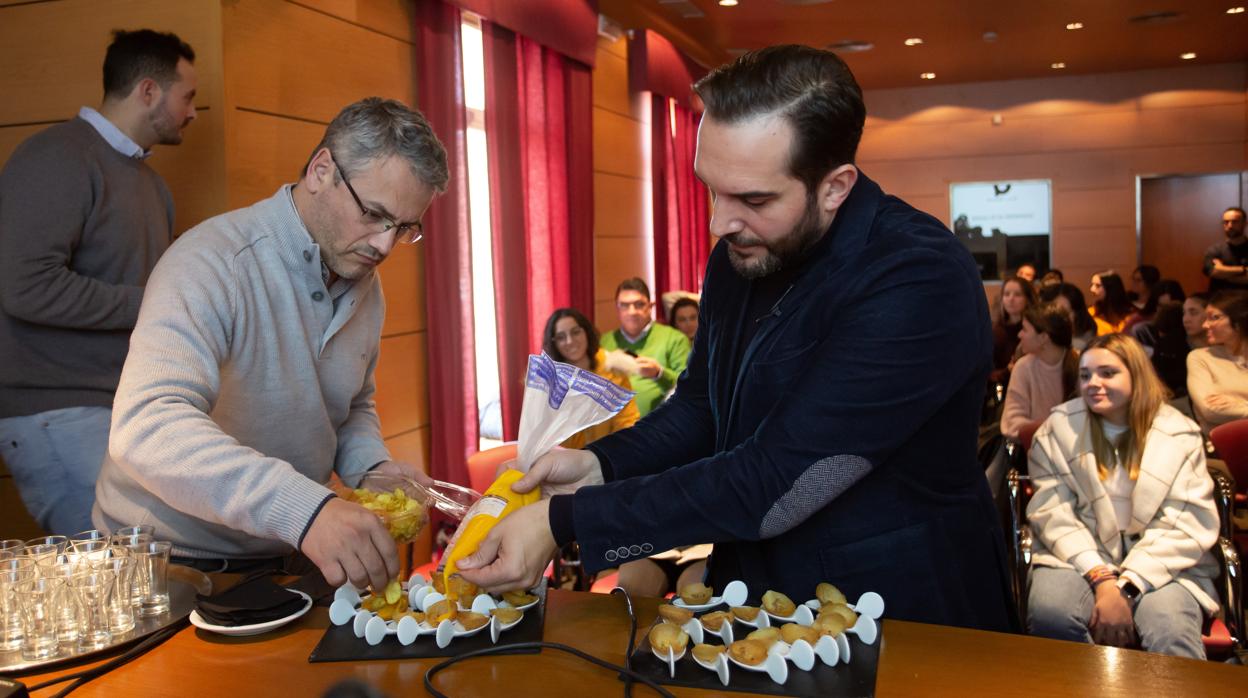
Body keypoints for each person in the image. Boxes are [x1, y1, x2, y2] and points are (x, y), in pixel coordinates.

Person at [454, 45, 1015, 633]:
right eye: (711, 189)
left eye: (753, 199)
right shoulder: (742, 255)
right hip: (757, 598)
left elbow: (776, 481)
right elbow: (702, 408)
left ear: (835, 186)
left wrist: (566, 520)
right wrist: (598, 464)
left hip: (897, 616)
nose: (719, 223)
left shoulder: (917, 277)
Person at [93, 98, 447, 591]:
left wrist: (371, 467)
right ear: (322, 170)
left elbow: (350, 405)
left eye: (404, 228)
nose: (384, 246)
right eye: (374, 214)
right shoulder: (212, 261)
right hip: (173, 563)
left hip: (287, 553)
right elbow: (147, 426)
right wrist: (305, 509)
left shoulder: (364, 281)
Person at [0, 29, 198, 535]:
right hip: (57, 409)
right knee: (118, 576)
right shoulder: (56, 157)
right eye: (188, 96)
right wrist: (152, 303)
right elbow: (23, 285)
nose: (192, 112)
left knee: (154, 570)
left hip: (123, 408)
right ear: (149, 91)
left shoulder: (151, 184)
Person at [1026, 334, 1219, 659]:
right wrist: (1102, 578)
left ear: (1136, 375)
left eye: (1107, 373)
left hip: (1167, 564)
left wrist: (1128, 586)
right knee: (1051, 614)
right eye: (1085, 375)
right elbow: (1053, 514)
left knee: (1169, 626)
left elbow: (1185, 525)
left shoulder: (1178, 434)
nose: (1093, 383)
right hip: (1075, 558)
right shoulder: (1057, 429)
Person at [541, 308, 640, 450]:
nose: (570, 341)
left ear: (586, 332)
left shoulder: (614, 370)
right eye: (561, 337)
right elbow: (547, 439)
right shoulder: (548, 384)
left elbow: (627, 423)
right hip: (566, 464)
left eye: (575, 332)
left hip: (612, 458)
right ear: (554, 343)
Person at [599, 278, 691, 416]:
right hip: (612, 426)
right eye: (624, 305)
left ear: (650, 306)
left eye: (639, 304)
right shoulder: (605, 342)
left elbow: (690, 387)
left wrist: (659, 373)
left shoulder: (675, 339)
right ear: (617, 308)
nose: (632, 312)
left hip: (658, 427)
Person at [1000, 304, 1077, 442]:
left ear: (1043, 338)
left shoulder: (1081, 365)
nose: (1019, 334)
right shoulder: (1024, 367)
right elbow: (1011, 424)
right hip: (1036, 451)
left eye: (1024, 329)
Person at [1187, 290, 1248, 436]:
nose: (1205, 325)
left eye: (1214, 318)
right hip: (1225, 448)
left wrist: (1239, 405)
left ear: (1239, 321)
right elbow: (1209, 410)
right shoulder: (1201, 358)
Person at [992, 275, 1037, 382]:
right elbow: (988, 375)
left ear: (1028, 299)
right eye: (1006, 294)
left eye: (1017, 294)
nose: (1011, 299)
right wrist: (1008, 370)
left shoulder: (1036, 330)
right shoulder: (995, 331)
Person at [1202, 207, 1248, 293]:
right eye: (1226, 222)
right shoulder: (1214, 250)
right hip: (1218, 297)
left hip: (1245, 298)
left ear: (1245, 223)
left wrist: (1224, 273)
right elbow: (1213, 272)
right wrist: (1243, 270)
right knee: (1191, 303)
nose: (1230, 226)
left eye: (1234, 222)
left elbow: (1219, 273)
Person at [1040, 283, 1096, 352]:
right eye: (1056, 312)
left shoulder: (1084, 345)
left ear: (1077, 313)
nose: (1060, 318)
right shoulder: (1040, 336)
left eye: (1065, 312)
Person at [1088, 271, 1134, 335]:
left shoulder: (1130, 315)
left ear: (1110, 288)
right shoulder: (1091, 313)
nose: (1092, 289)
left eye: (1098, 286)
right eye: (1092, 284)